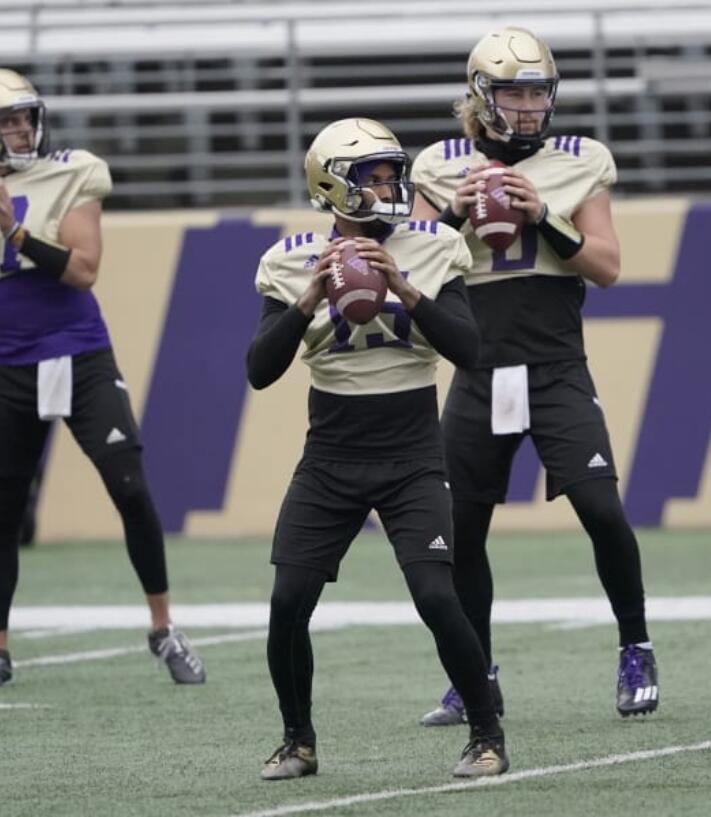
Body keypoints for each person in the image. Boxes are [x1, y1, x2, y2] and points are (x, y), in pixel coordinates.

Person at [0, 68, 205, 687]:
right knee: (3, 507)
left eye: (25, 116)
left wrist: (15, 231)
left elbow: (84, 269)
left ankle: (164, 628)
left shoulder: (74, 170)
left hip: (80, 354)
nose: (21, 128)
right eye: (6, 120)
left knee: (130, 487)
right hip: (11, 366)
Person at [409, 27, 659, 724]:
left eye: (537, 92)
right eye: (514, 92)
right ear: (481, 97)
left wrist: (539, 211)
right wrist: (462, 208)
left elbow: (607, 267)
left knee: (603, 510)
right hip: (478, 368)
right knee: (461, 529)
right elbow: (416, 272)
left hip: (553, 365)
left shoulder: (580, 160)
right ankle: (472, 675)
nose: (528, 106)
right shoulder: (438, 165)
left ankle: (635, 645)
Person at [246, 118, 507, 780]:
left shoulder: (434, 246)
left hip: (412, 447)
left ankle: (487, 733)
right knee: (286, 600)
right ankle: (298, 739)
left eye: (394, 174)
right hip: (331, 451)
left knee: (435, 594)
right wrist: (308, 298)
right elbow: (259, 368)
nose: (392, 186)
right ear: (334, 185)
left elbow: (470, 350)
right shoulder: (289, 259)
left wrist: (406, 289)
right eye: (376, 177)